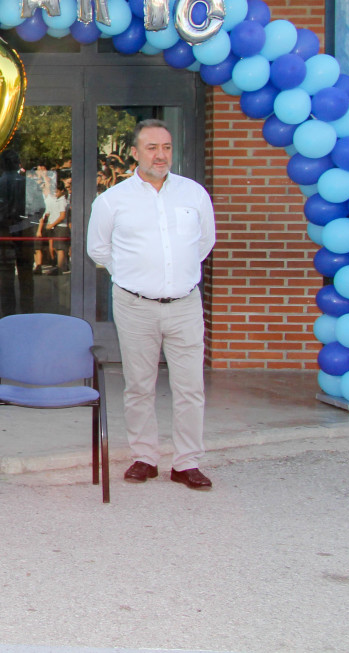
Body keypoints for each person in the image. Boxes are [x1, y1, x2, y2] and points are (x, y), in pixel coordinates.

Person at [86, 119, 217, 491]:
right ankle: (144, 457)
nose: (160, 155)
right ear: (134, 153)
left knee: (190, 386)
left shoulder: (194, 195)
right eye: (151, 148)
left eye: (166, 147)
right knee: (139, 384)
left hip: (185, 304)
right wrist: (130, 277)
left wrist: (176, 275)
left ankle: (187, 462)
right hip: (135, 306)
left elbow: (204, 242)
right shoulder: (113, 200)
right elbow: (98, 249)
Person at [0, 149, 35, 317]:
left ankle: (9, 314)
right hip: (21, 233)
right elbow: (39, 209)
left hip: (4, 234)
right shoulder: (28, 184)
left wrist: (4, 224)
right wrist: (23, 224)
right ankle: (27, 312)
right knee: (25, 276)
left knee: (6, 277)